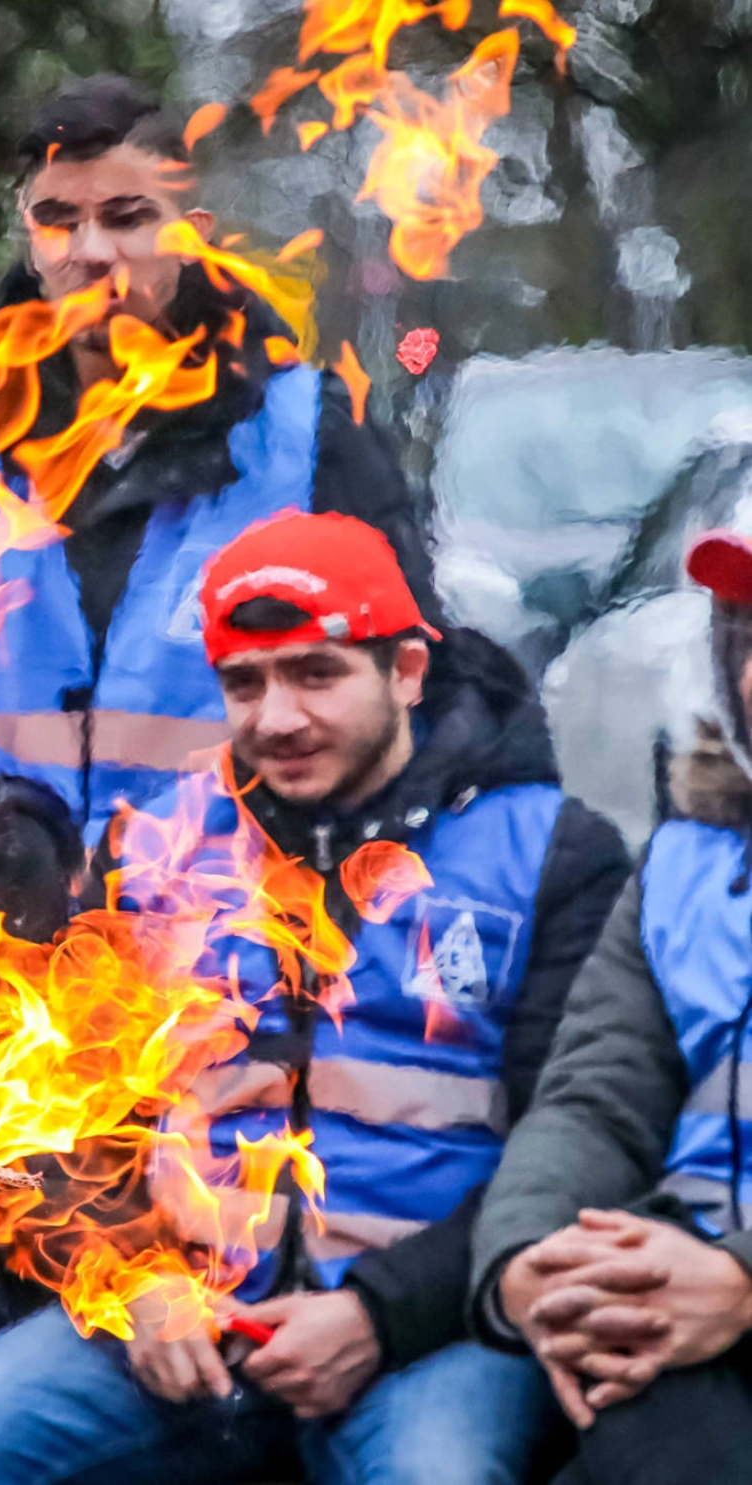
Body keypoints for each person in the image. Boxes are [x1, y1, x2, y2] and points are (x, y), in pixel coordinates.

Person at [0, 512, 630, 1485]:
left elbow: (580, 1147)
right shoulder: (153, 845)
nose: (277, 718)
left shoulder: (553, 853)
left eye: (317, 673)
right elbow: (63, 1115)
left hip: (428, 1327)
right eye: (245, 683)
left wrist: (378, 1314)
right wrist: (136, 1280)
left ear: (406, 670)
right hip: (177, 1311)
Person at [0, 75, 441, 897]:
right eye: (58, 220)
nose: (91, 250)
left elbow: (412, 694)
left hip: (225, 930)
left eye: (126, 217)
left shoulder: (307, 436)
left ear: (190, 236)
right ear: (30, 241)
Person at [469, 524, 752, 1485]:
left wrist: (743, 1278)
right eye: (750, 637)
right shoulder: (686, 863)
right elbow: (594, 1100)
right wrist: (531, 1261)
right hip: (677, 1302)